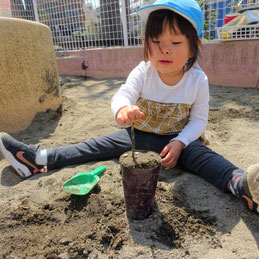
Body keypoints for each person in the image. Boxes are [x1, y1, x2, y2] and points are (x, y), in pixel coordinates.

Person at [0, 0, 258, 214]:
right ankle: (38, 160)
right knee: (93, 146)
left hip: (178, 140)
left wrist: (181, 142)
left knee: (206, 159)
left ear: (194, 47)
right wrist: (122, 109)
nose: (164, 50)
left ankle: (242, 185)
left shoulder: (197, 79)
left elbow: (199, 120)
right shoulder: (144, 71)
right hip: (139, 136)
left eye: (176, 43)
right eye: (156, 41)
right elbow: (122, 94)